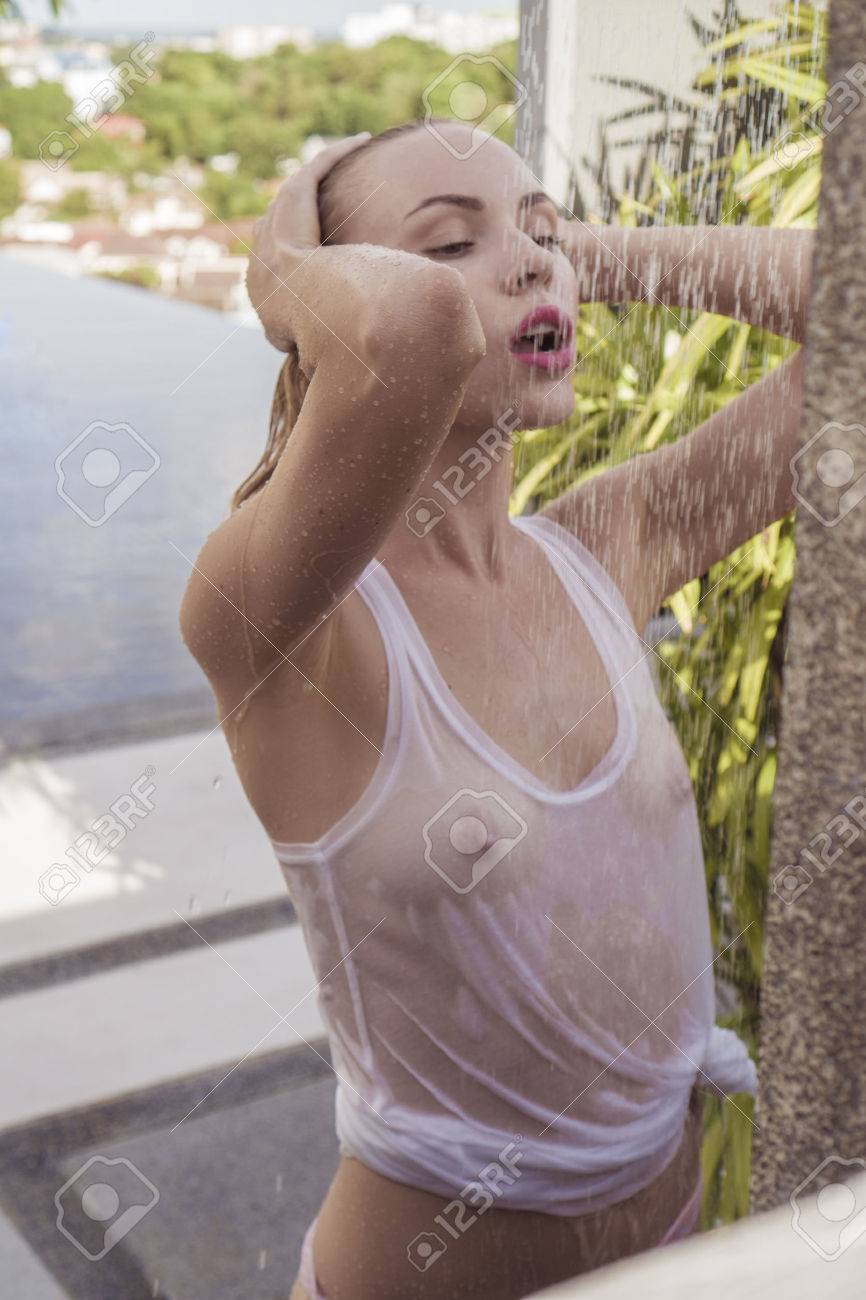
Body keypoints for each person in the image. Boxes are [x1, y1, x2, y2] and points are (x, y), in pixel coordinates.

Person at [179, 119, 811, 1299]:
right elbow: (408, 338)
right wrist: (276, 269)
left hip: (671, 1244)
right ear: (322, 311)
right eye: (448, 242)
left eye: (538, 234)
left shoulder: (602, 550)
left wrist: (574, 251)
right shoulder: (287, 625)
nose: (527, 266)